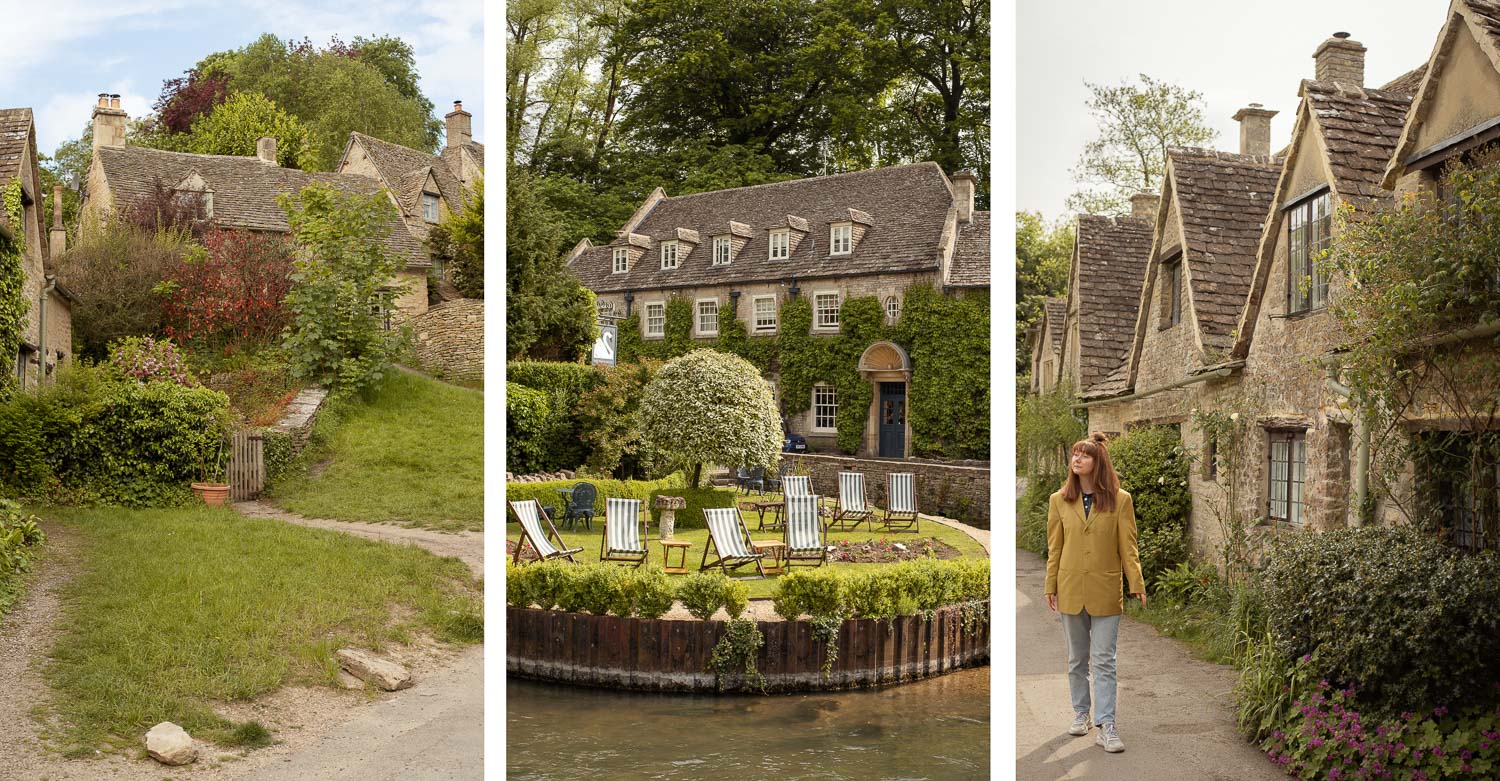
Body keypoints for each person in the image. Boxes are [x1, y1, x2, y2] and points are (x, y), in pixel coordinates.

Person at [1043, 431, 1146, 754]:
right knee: (1077, 659)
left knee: (1104, 661)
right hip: (1071, 588)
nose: (1077, 459)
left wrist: (1137, 583)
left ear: (1097, 462)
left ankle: (1107, 725)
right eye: (1074, 454)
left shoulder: (1121, 500)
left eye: (1084, 455)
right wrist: (1050, 585)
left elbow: (1128, 547)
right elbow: (1054, 548)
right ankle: (1081, 714)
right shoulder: (1059, 500)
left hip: (1105, 591)